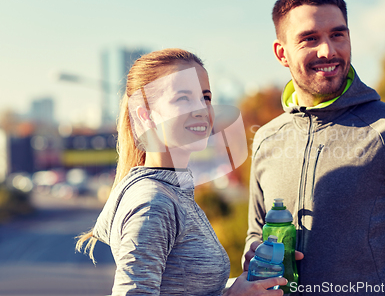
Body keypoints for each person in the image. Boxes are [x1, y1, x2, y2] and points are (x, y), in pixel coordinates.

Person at [243, 0, 385, 295]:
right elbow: (254, 235)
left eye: (338, 35)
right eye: (309, 39)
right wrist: (255, 253)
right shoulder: (267, 138)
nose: (328, 51)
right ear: (282, 53)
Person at [76, 48, 286, 296]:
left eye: (205, 98)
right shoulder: (153, 203)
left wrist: (238, 286)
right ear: (146, 116)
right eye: (183, 99)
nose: (200, 109)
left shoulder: (174, 192)